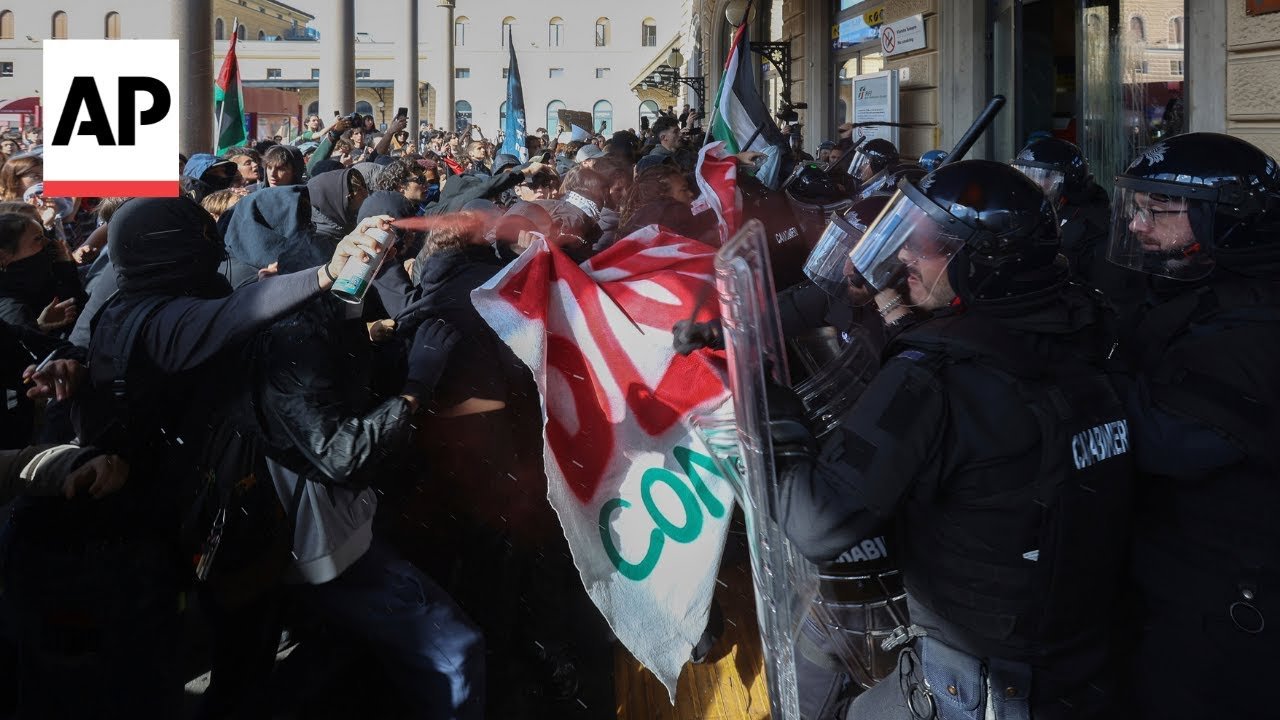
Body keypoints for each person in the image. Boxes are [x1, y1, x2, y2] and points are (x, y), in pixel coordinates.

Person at [773, 160, 1134, 719]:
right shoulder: (1084, 326)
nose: (903, 256)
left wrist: (776, 416)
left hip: (975, 680)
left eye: (924, 246)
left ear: (980, 263)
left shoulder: (935, 374)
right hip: (1083, 658)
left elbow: (815, 522)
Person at [1105, 132, 1280, 719]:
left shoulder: (1257, 323)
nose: (1137, 226)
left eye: (1158, 211)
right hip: (1171, 576)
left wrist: (1080, 377)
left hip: (1229, 602)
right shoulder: (1198, 289)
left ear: (1225, 221)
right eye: (1137, 208)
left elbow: (1165, 441)